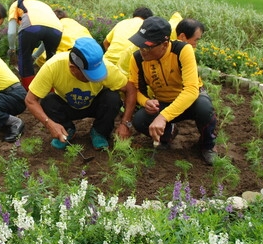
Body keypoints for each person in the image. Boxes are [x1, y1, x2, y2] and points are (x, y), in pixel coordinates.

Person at [118, 16, 218, 165]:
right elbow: (136, 90)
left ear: (164, 44)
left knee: (204, 108)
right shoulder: (138, 59)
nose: (143, 51)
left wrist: (163, 117)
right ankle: (168, 134)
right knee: (139, 120)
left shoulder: (183, 50)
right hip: (163, 102)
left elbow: (191, 90)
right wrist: (146, 102)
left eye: (147, 47)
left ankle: (207, 145)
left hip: (190, 101)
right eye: (140, 46)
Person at [24, 36, 129, 151]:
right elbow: (30, 100)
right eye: (88, 75)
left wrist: (125, 123)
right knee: (48, 102)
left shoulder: (106, 66)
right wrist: (49, 124)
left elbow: (130, 90)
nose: (93, 78)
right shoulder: (53, 66)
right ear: (73, 68)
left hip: (95, 104)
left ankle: (100, 132)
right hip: (67, 105)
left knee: (112, 98)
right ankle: (66, 129)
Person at [7, 0, 63, 89]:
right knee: (52, 62)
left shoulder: (17, 3)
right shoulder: (43, 5)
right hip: (57, 30)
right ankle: (51, 93)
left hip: (31, 27)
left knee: (24, 59)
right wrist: (35, 56)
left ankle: (28, 92)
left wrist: (12, 49)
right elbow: (46, 33)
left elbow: (11, 33)